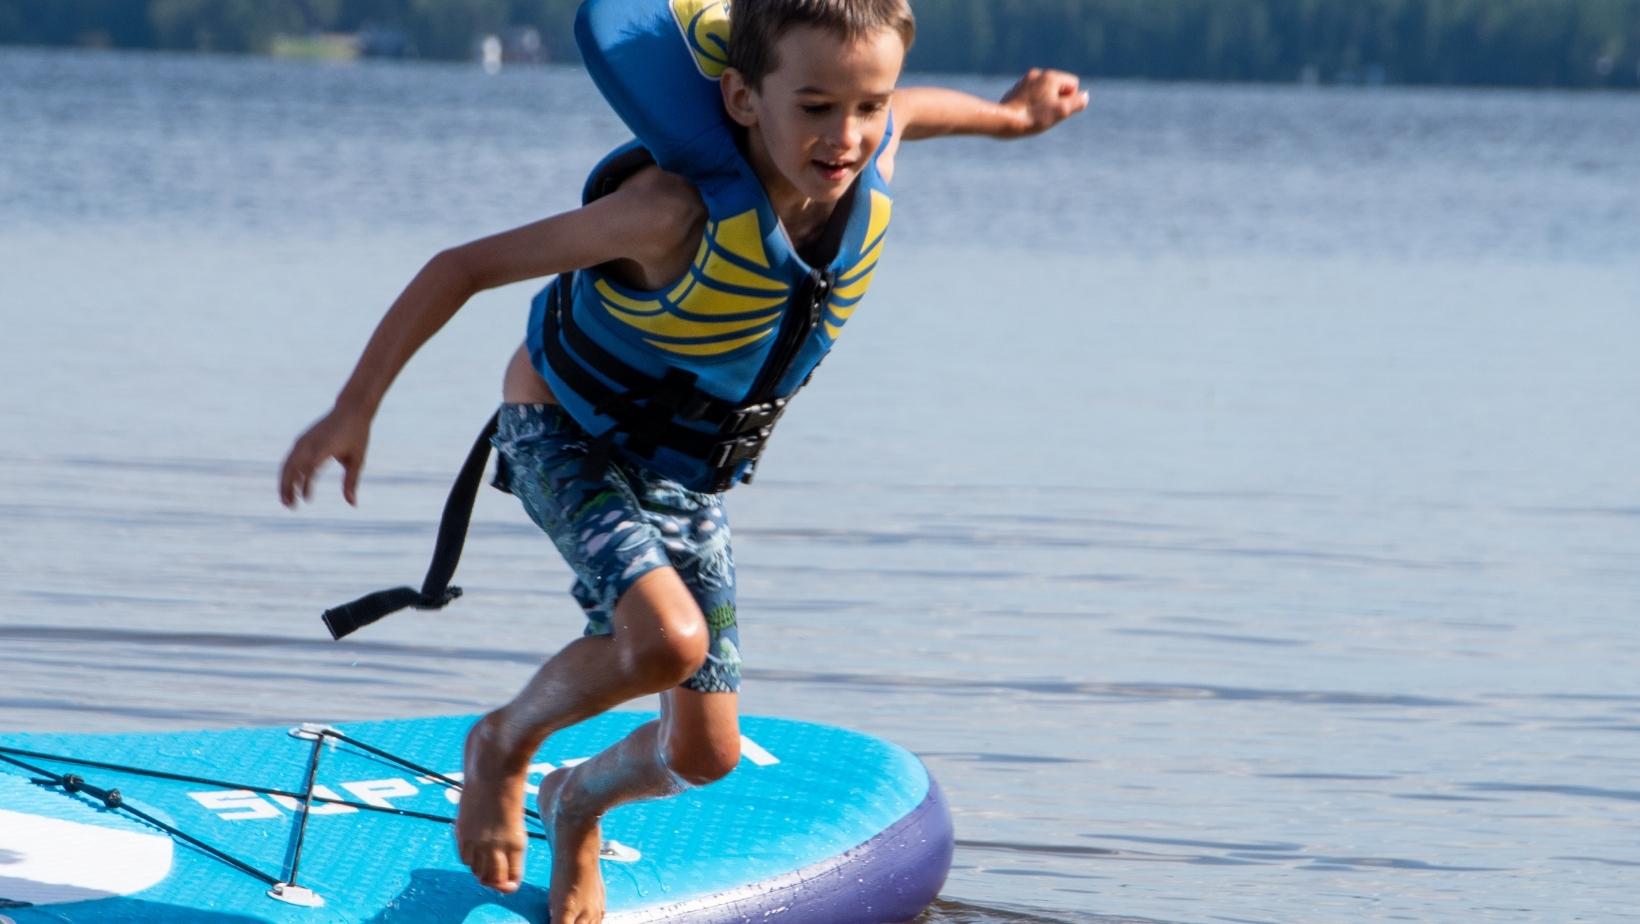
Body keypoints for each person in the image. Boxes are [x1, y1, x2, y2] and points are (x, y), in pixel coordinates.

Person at [278, 1, 1087, 920]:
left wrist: (1011, 118)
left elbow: (920, 110)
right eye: (815, 107)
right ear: (742, 98)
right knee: (667, 641)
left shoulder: (872, 144)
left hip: (682, 473)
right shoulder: (667, 212)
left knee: (704, 754)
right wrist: (355, 408)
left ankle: (575, 802)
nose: (848, 135)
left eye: (868, 107)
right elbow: (461, 266)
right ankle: (501, 745)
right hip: (563, 432)